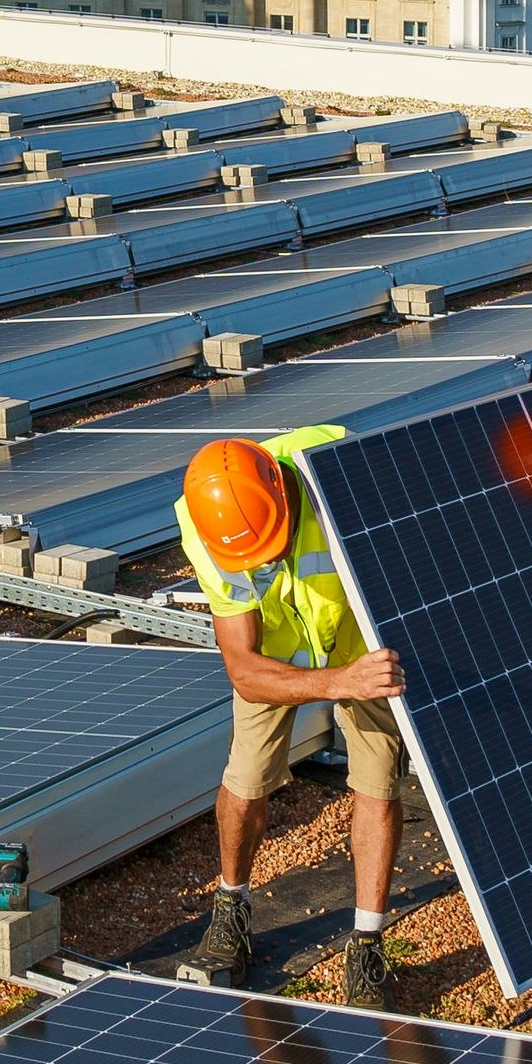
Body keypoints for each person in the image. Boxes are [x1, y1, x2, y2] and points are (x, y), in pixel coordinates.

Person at [173, 425, 407, 1008]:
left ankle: (367, 943)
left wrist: (361, 670)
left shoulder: (343, 465)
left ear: (282, 489)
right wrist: (332, 683)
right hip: (276, 653)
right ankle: (231, 907)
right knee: (246, 779)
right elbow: (244, 670)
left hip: (360, 637)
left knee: (377, 783)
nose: (266, 557)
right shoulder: (209, 531)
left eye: (273, 542)